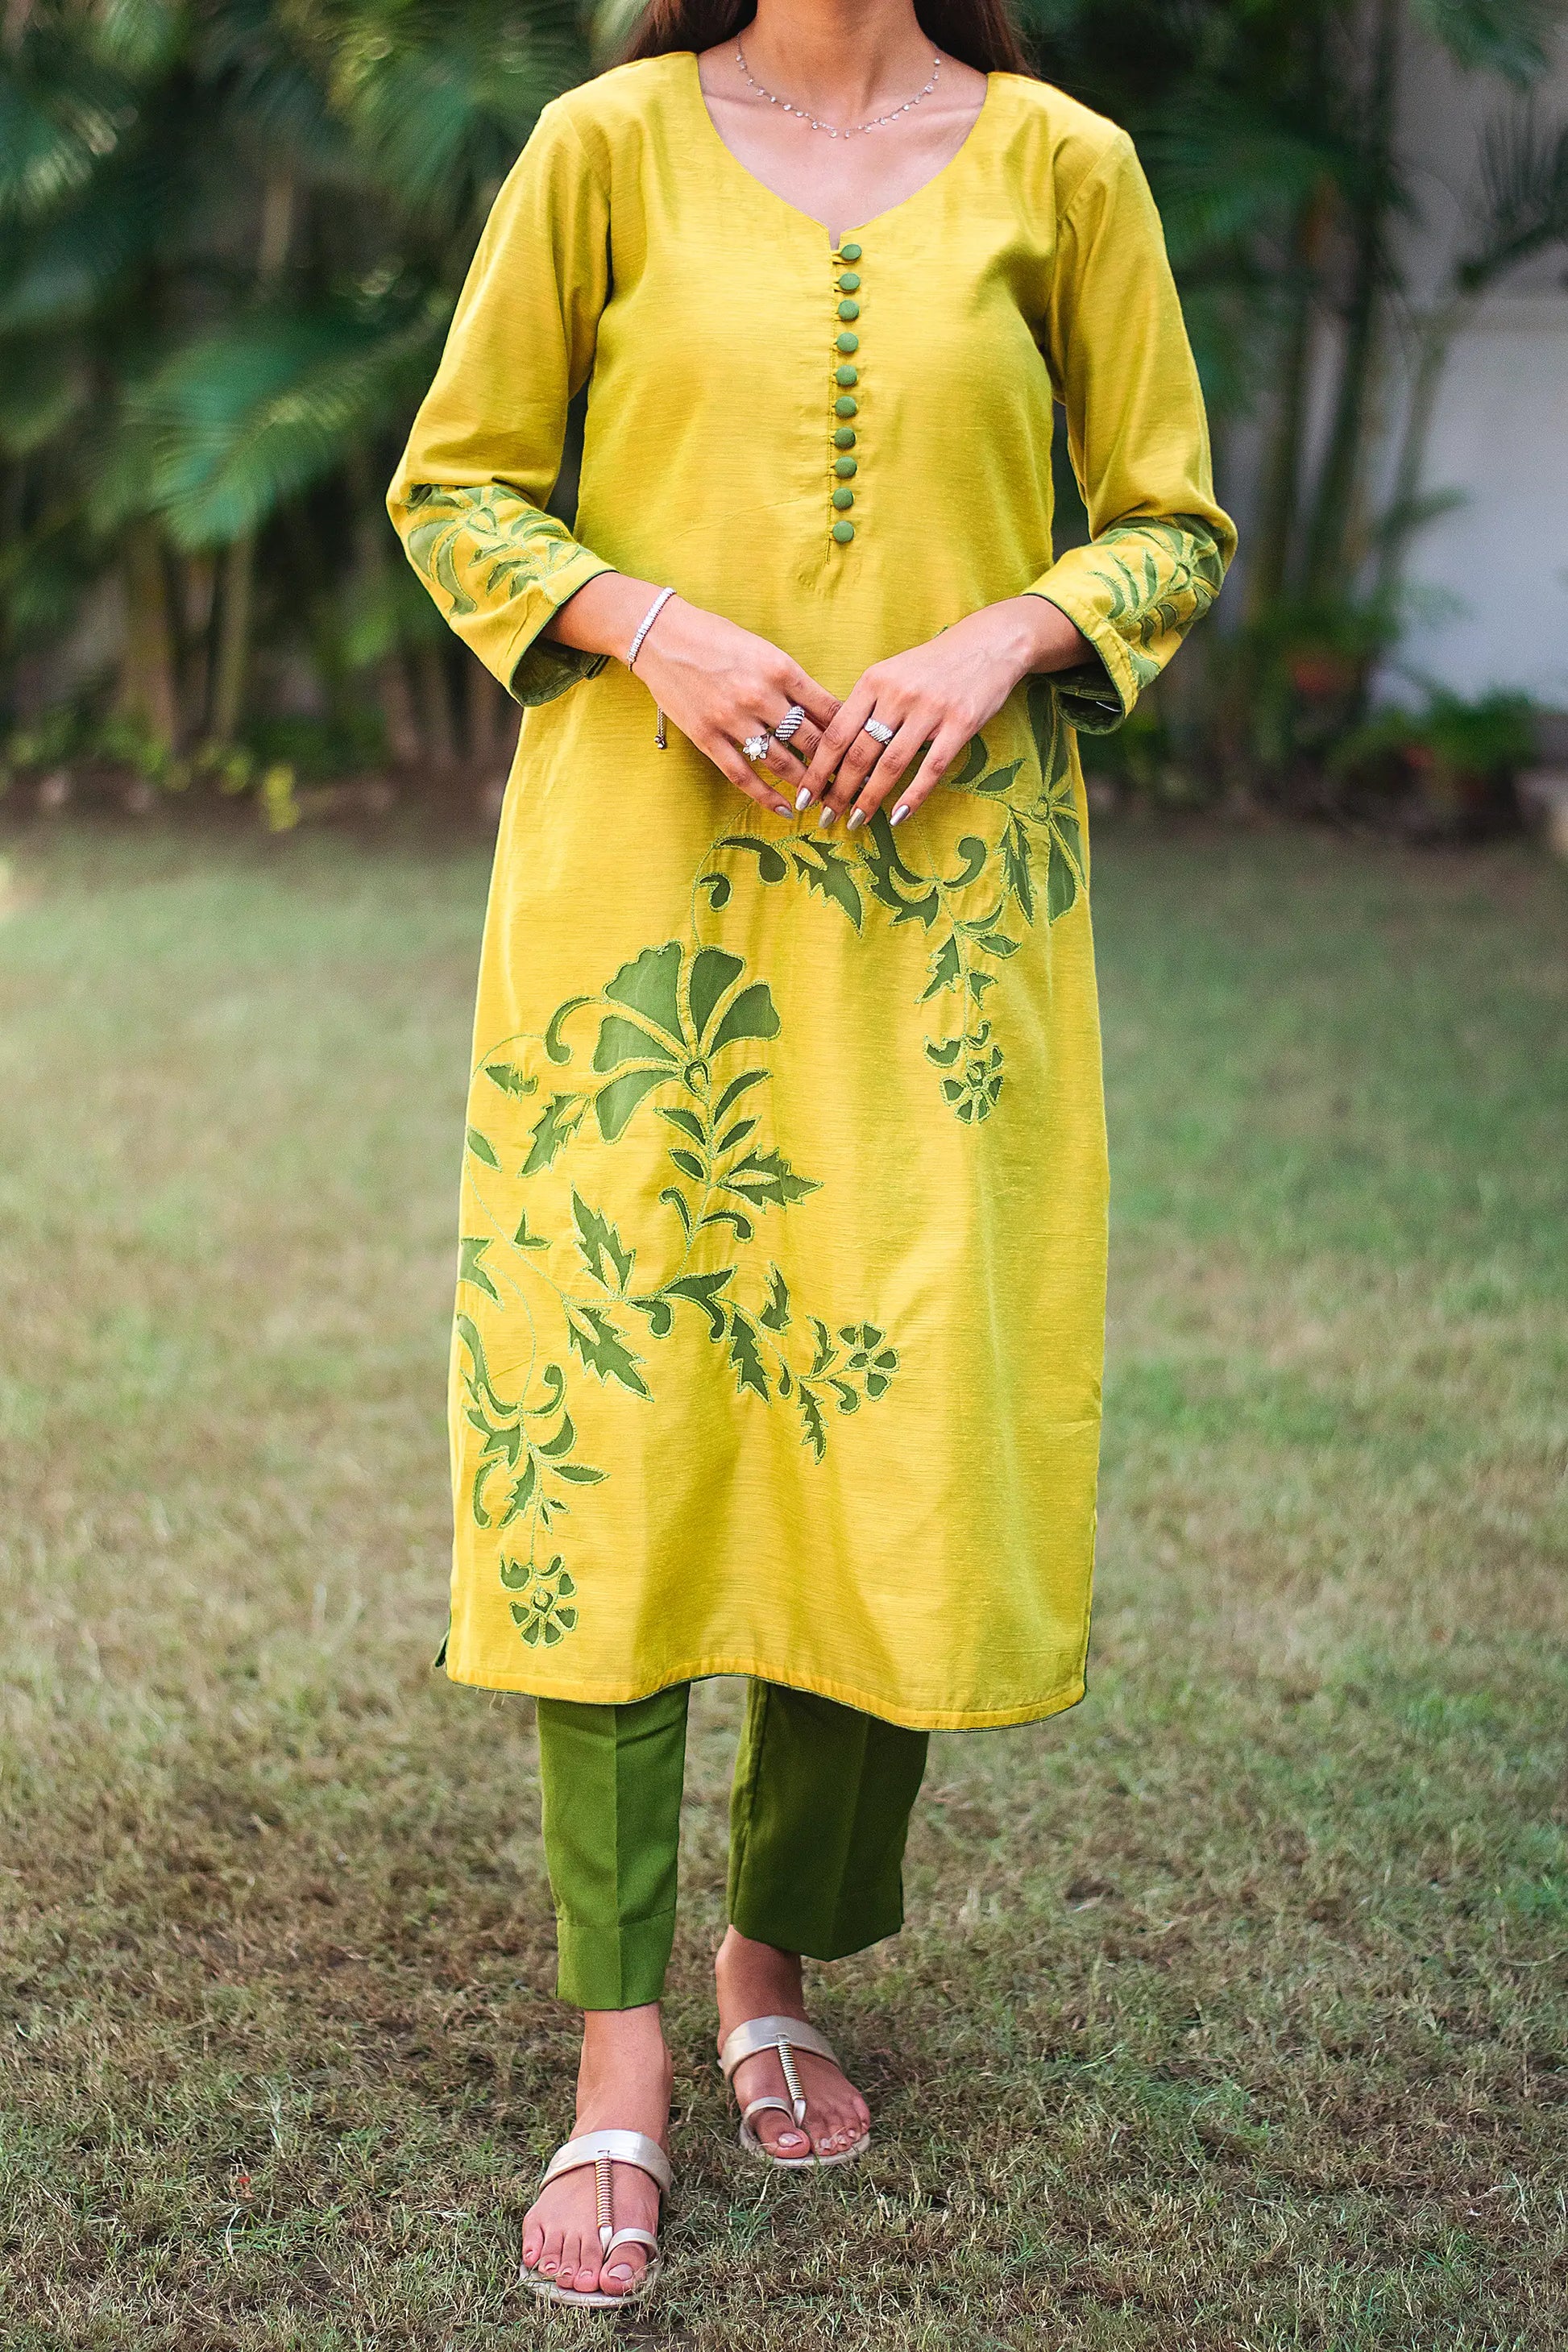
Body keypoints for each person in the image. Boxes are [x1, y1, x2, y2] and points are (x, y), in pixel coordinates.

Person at [388, 0, 1234, 2308]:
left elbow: (1168, 523)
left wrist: (1004, 636)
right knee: (622, 1421)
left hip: (945, 931)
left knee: (887, 1418)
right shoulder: (601, 147)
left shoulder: (1062, 164)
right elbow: (455, 484)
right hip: (637, 908)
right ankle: (618, 2055)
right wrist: (643, 622)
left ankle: (774, 1963)